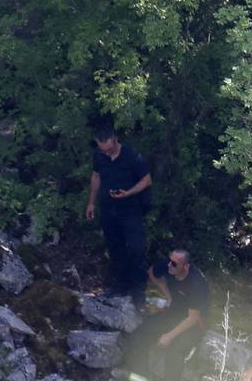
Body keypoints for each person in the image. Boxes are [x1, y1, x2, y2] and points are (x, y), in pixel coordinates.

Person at [86, 122, 153, 305]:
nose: (106, 153)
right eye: (103, 150)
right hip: (108, 209)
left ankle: (139, 291)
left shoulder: (131, 155)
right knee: (115, 248)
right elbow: (96, 176)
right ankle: (121, 285)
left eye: (108, 149)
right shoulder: (99, 155)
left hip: (130, 208)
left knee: (137, 249)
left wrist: (128, 192)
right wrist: (91, 202)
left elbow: (147, 180)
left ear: (115, 140)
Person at [128, 249, 209, 381]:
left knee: (175, 352)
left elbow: (192, 318)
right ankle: (140, 376)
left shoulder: (196, 284)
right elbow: (151, 272)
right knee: (139, 334)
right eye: (169, 261)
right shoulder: (169, 266)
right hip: (174, 312)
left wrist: (168, 336)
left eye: (174, 264)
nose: (169, 265)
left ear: (186, 266)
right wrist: (168, 295)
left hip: (194, 322)